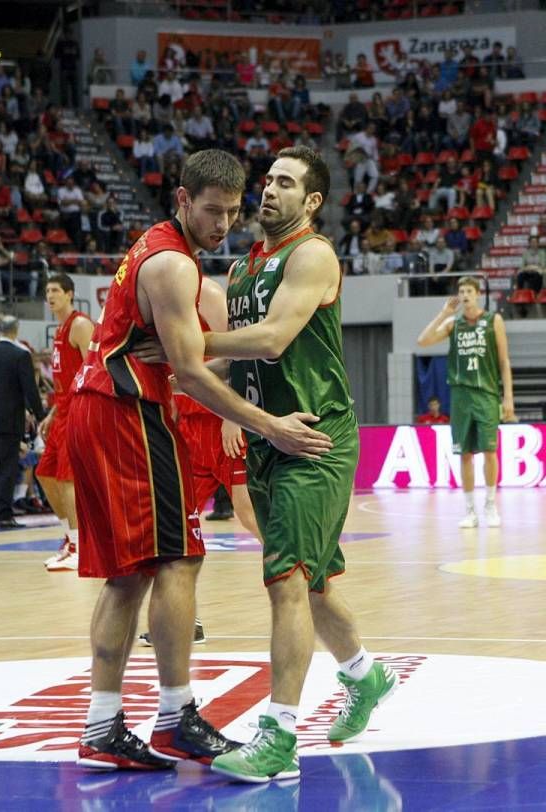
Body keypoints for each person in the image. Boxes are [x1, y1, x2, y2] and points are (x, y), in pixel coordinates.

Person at [66, 149, 333, 773]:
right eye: (212, 211)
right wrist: (268, 425)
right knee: (180, 558)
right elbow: (187, 372)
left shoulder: (152, 247)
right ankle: (176, 716)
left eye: (233, 213)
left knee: (127, 575)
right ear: (182, 200)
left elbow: (186, 358)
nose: (223, 224)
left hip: (98, 408)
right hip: (127, 411)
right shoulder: (173, 266)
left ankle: (102, 725)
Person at [161, 146, 398, 783]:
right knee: (312, 583)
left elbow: (270, 340)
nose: (269, 191)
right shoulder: (241, 268)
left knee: (286, 581)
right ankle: (366, 676)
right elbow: (243, 364)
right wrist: (208, 393)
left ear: (311, 202)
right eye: (268, 180)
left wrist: (186, 343)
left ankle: (280, 737)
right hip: (268, 436)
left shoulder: (313, 255)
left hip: (314, 438)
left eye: (285, 184)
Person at [138, 275, 261, 647]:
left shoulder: (207, 293)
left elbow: (238, 355)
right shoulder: (161, 297)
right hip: (187, 427)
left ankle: (303, 583)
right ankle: (186, 620)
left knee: (249, 513)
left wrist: (232, 416)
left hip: (220, 424)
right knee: (180, 525)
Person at [417, 277, 514, 528]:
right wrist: (443, 313)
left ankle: (491, 504)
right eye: (461, 291)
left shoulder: (494, 321)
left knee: (490, 452)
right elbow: (423, 341)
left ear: (479, 294)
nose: (465, 295)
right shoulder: (453, 324)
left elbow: (504, 362)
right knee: (465, 454)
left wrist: (508, 398)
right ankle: (470, 510)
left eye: (469, 291)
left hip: (486, 394)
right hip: (460, 396)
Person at [36, 274, 93, 571]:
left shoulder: (81, 325)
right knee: (44, 474)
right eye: (47, 291)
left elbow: (94, 370)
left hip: (77, 413)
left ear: (70, 294)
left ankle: (80, 546)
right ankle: (70, 538)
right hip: (61, 411)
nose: (50, 295)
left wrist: (81, 412)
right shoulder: (58, 329)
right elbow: (64, 379)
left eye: (56, 290)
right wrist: (52, 413)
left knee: (68, 479)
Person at [0, 316, 44, 527]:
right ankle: (5, 514)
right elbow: (30, 389)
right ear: (16, 330)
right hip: (9, 417)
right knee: (8, 465)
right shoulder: (20, 355)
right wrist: (41, 415)